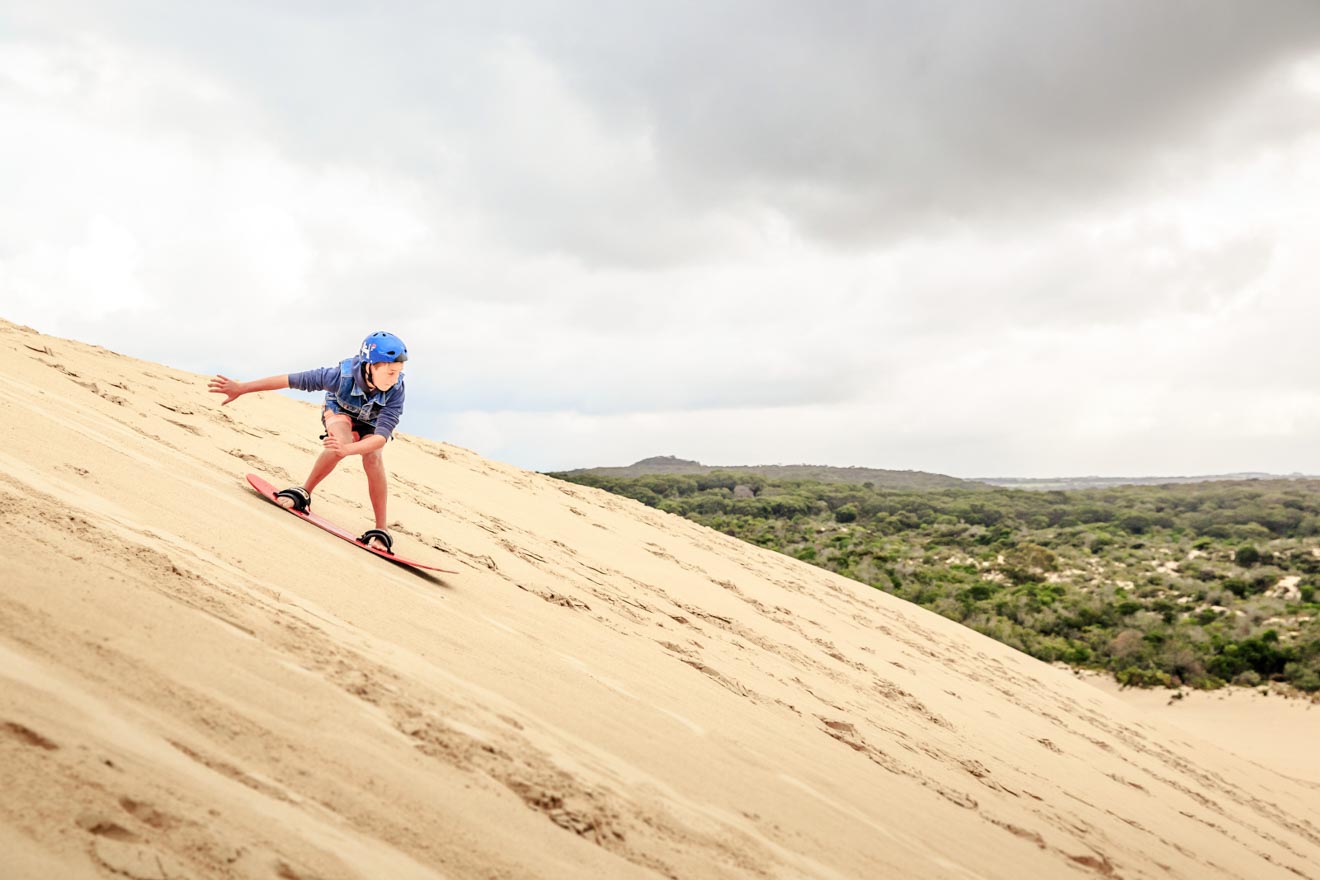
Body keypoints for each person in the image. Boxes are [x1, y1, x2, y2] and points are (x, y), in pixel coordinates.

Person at [208, 331, 409, 553]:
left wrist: (350, 449)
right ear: (370, 365)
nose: (394, 378)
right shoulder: (338, 376)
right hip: (340, 411)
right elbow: (289, 380)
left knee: (372, 457)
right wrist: (242, 388)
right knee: (338, 441)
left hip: (372, 423)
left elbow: (380, 438)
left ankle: (381, 529)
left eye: (398, 372)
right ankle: (304, 493)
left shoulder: (396, 391)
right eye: (390, 372)